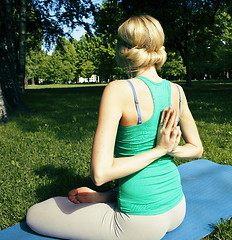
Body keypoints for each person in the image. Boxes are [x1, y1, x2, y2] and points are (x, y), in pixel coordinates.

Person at [26, 15, 203, 240]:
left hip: (139, 224)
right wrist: (171, 149)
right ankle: (109, 197)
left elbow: (100, 174)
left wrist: (161, 150)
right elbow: (197, 148)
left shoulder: (118, 90)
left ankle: (110, 200)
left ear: (124, 49)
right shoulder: (177, 91)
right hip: (177, 208)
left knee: (36, 213)